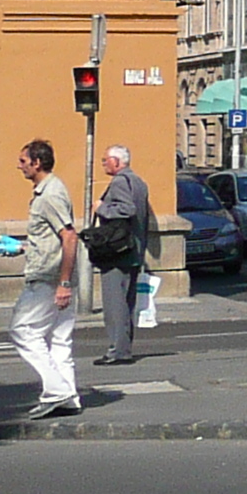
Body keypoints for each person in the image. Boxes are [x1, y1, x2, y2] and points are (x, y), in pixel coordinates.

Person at [8, 140, 83, 418]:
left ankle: (56, 391)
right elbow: (51, 239)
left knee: (23, 330)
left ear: (37, 163)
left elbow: (69, 236)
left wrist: (63, 283)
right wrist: (22, 247)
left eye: (23, 161)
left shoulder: (49, 194)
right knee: (59, 340)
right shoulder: (51, 190)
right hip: (56, 274)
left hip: (48, 279)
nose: (19, 166)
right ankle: (69, 397)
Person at [88, 144, 156, 367]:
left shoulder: (119, 182)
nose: (103, 164)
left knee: (114, 304)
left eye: (105, 160)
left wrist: (101, 208)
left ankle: (118, 351)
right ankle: (123, 349)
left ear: (117, 162)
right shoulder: (138, 181)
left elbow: (128, 210)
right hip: (134, 250)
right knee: (126, 303)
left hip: (118, 252)